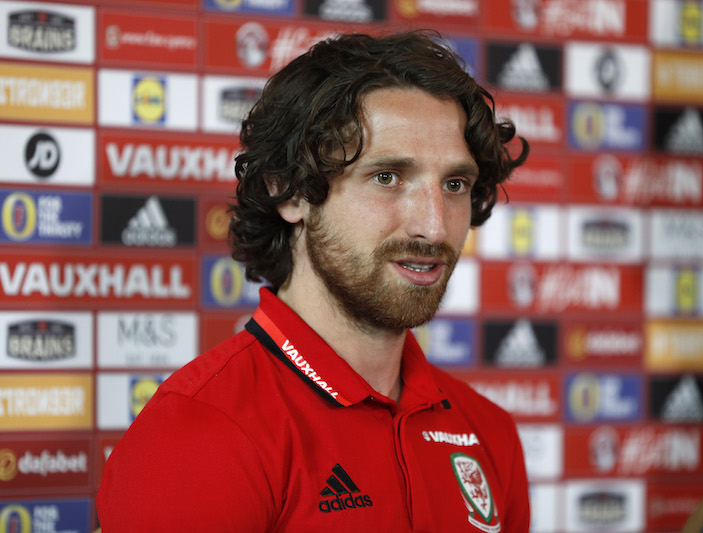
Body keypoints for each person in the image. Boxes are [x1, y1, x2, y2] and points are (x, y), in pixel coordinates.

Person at [97, 30, 530, 532]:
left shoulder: (488, 430)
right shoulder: (200, 433)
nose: (434, 227)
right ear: (290, 193)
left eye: (454, 184)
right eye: (387, 177)